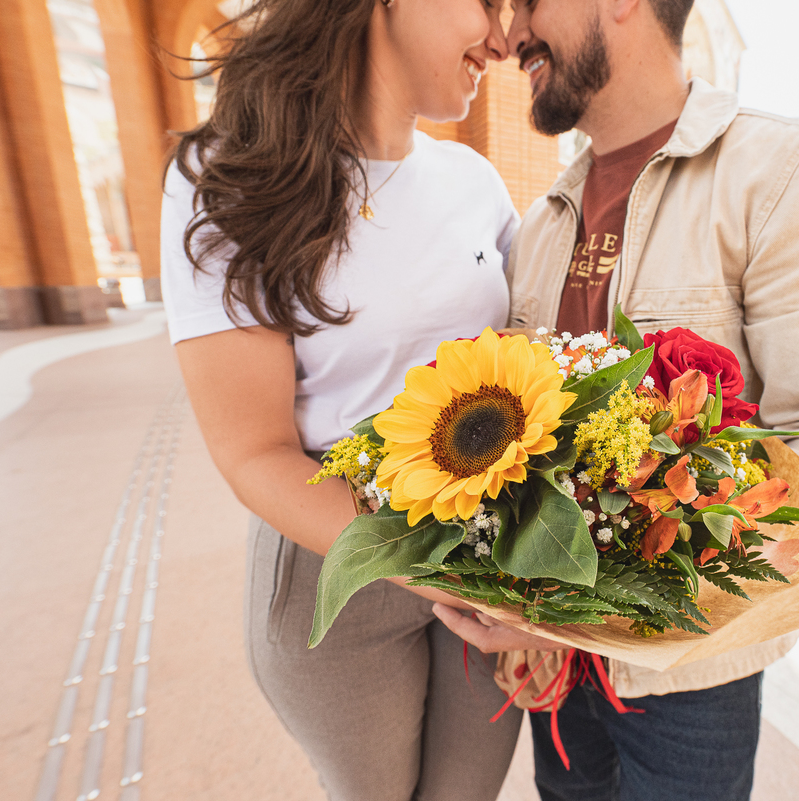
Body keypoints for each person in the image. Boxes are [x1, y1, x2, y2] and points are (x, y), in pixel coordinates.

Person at [434, 1, 799, 799]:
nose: (507, 38)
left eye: (527, 3)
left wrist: (566, 608)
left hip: (693, 677)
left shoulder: (783, 171)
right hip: (556, 676)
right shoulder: (541, 221)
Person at [159, 0, 552, 798]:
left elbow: (534, 364)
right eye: (487, 4)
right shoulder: (227, 179)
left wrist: (540, 596)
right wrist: (432, 568)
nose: (506, 39)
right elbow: (251, 450)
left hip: (487, 550)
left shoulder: (473, 181)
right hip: (332, 569)